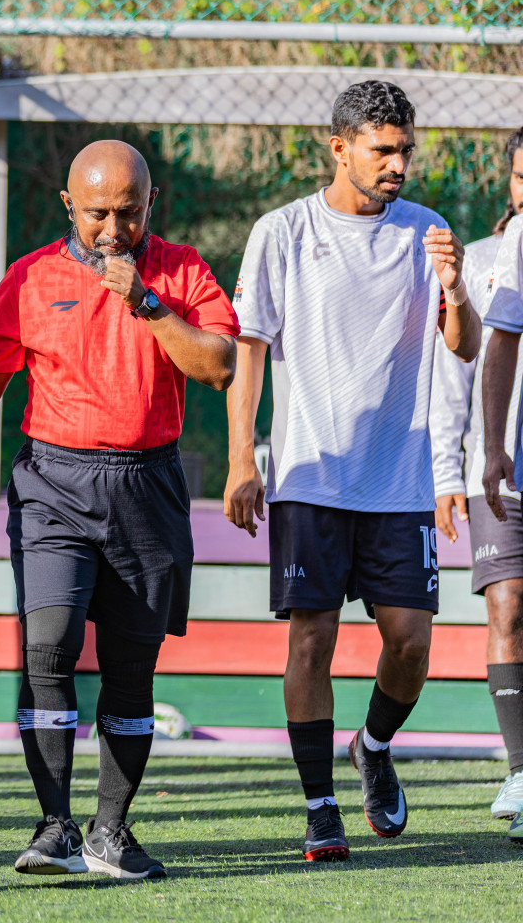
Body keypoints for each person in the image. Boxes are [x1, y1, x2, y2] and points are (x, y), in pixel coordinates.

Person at [0, 141, 238, 881]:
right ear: (70, 205)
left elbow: (218, 365)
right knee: (49, 647)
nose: (113, 229)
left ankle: (110, 832)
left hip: (147, 486)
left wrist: (144, 300)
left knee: (131, 668)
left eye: (129, 212)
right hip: (54, 483)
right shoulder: (30, 278)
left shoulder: (181, 269)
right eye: (98, 213)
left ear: (150, 205)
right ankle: (54, 826)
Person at [225, 81, 481, 861]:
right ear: (339, 148)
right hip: (309, 474)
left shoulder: (428, 232)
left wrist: (454, 286)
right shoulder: (283, 232)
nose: (399, 164)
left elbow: (462, 346)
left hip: (398, 481)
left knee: (409, 644)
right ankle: (319, 806)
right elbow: (249, 351)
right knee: (313, 641)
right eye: (383, 150)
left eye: (406, 148)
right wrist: (243, 457)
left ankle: (372, 746)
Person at [470, 127, 523, 844]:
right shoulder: (515, 245)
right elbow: (499, 343)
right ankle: (520, 769)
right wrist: (489, 449)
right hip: (513, 474)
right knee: (507, 608)